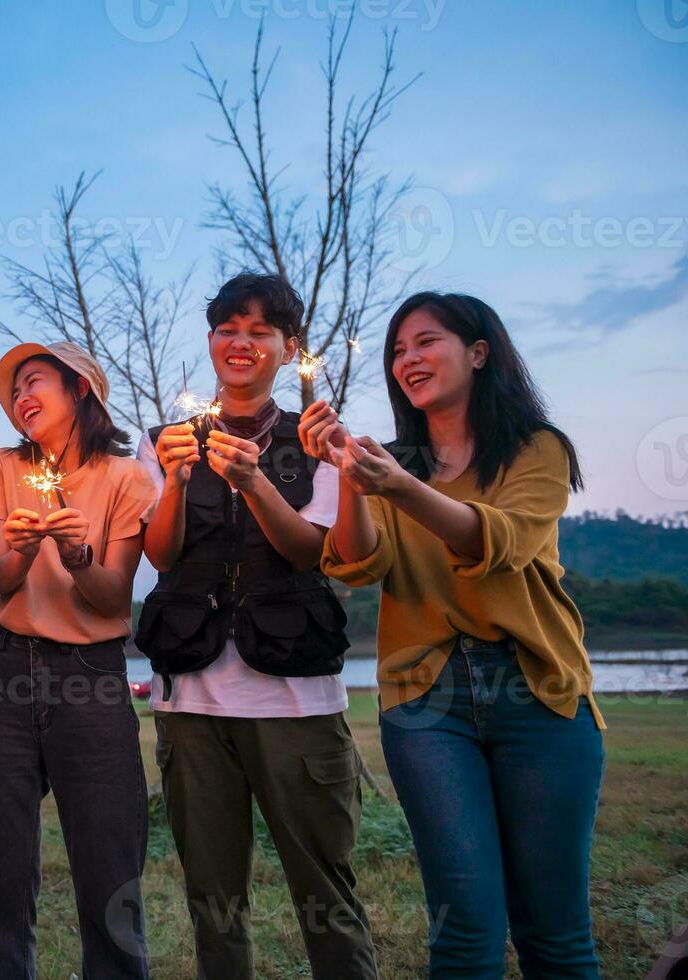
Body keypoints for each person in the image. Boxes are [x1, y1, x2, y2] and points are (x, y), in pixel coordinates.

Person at [304, 291, 604, 979]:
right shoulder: (391, 463)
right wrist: (349, 477)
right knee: (464, 925)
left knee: (554, 932)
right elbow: (357, 561)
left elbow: (497, 541)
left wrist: (396, 485)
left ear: (477, 351)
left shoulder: (537, 449)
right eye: (397, 350)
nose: (407, 358)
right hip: (425, 700)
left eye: (425, 341)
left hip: (539, 695)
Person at [136, 273, 377, 979]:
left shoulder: (320, 439)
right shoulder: (166, 443)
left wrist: (253, 480)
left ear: (286, 345)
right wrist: (177, 482)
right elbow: (159, 554)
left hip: (295, 701)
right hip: (191, 705)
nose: (239, 342)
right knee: (213, 902)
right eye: (226, 328)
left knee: (326, 895)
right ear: (210, 340)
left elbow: (310, 551)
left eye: (259, 330)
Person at [0, 340, 157, 979]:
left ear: (79, 390)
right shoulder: (2, 467)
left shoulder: (126, 478)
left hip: (92, 676)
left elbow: (112, 599)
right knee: (0, 857)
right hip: (7, 673)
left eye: (36, 381)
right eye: (15, 387)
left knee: (109, 860)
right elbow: (0, 579)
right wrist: (21, 549)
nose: (22, 397)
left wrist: (78, 556)